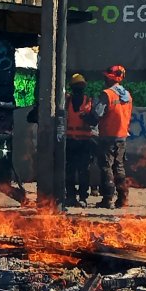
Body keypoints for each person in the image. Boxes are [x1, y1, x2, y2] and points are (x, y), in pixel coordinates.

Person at [86, 65, 133, 209]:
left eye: (106, 76)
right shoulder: (127, 95)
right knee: (119, 167)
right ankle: (123, 198)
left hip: (108, 136)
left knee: (106, 167)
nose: (104, 78)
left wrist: (86, 118)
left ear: (110, 78)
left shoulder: (107, 94)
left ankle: (107, 199)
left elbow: (97, 114)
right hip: (122, 136)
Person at [65, 73, 96, 208]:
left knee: (82, 171)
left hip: (84, 141)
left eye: (80, 87)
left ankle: (82, 197)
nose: (78, 89)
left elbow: (94, 121)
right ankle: (72, 196)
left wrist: (87, 117)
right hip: (71, 141)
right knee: (71, 170)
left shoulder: (89, 101)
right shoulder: (67, 101)